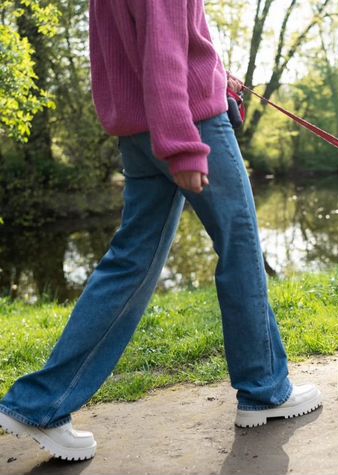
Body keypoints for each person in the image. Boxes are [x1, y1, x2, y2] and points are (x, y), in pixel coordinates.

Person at [0, 0, 321, 461]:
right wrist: (183, 146)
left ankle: (39, 403)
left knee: (131, 262)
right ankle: (264, 391)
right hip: (190, 125)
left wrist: (212, 75)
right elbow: (164, 53)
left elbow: (135, 47)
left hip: (139, 130)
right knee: (240, 249)